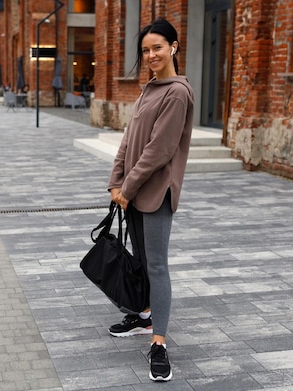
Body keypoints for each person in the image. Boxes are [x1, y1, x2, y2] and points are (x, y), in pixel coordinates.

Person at [106, 18, 194, 382]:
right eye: (145, 50)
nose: (151, 55)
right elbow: (129, 140)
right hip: (133, 191)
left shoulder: (177, 92)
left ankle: (159, 343)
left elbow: (159, 150)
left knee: (157, 266)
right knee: (140, 259)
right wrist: (115, 181)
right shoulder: (148, 90)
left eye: (157, 47)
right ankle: (143, 314)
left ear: (174, 47)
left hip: (155, 193)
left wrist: (128, 188)